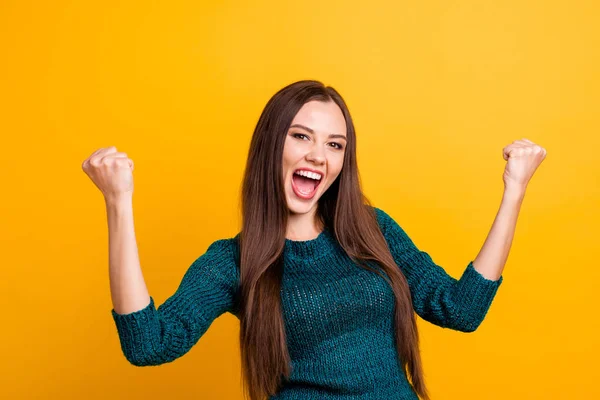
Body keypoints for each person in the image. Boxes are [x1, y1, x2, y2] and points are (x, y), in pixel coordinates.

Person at [82, 80, 546, 400]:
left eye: (334, 144)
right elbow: (148, 344)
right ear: (271, 145)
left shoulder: (373, 229)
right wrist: (118, 204)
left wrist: (515, 191)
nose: (317, 155)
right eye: (301, 136)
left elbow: (461, 309)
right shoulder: (233, 261)